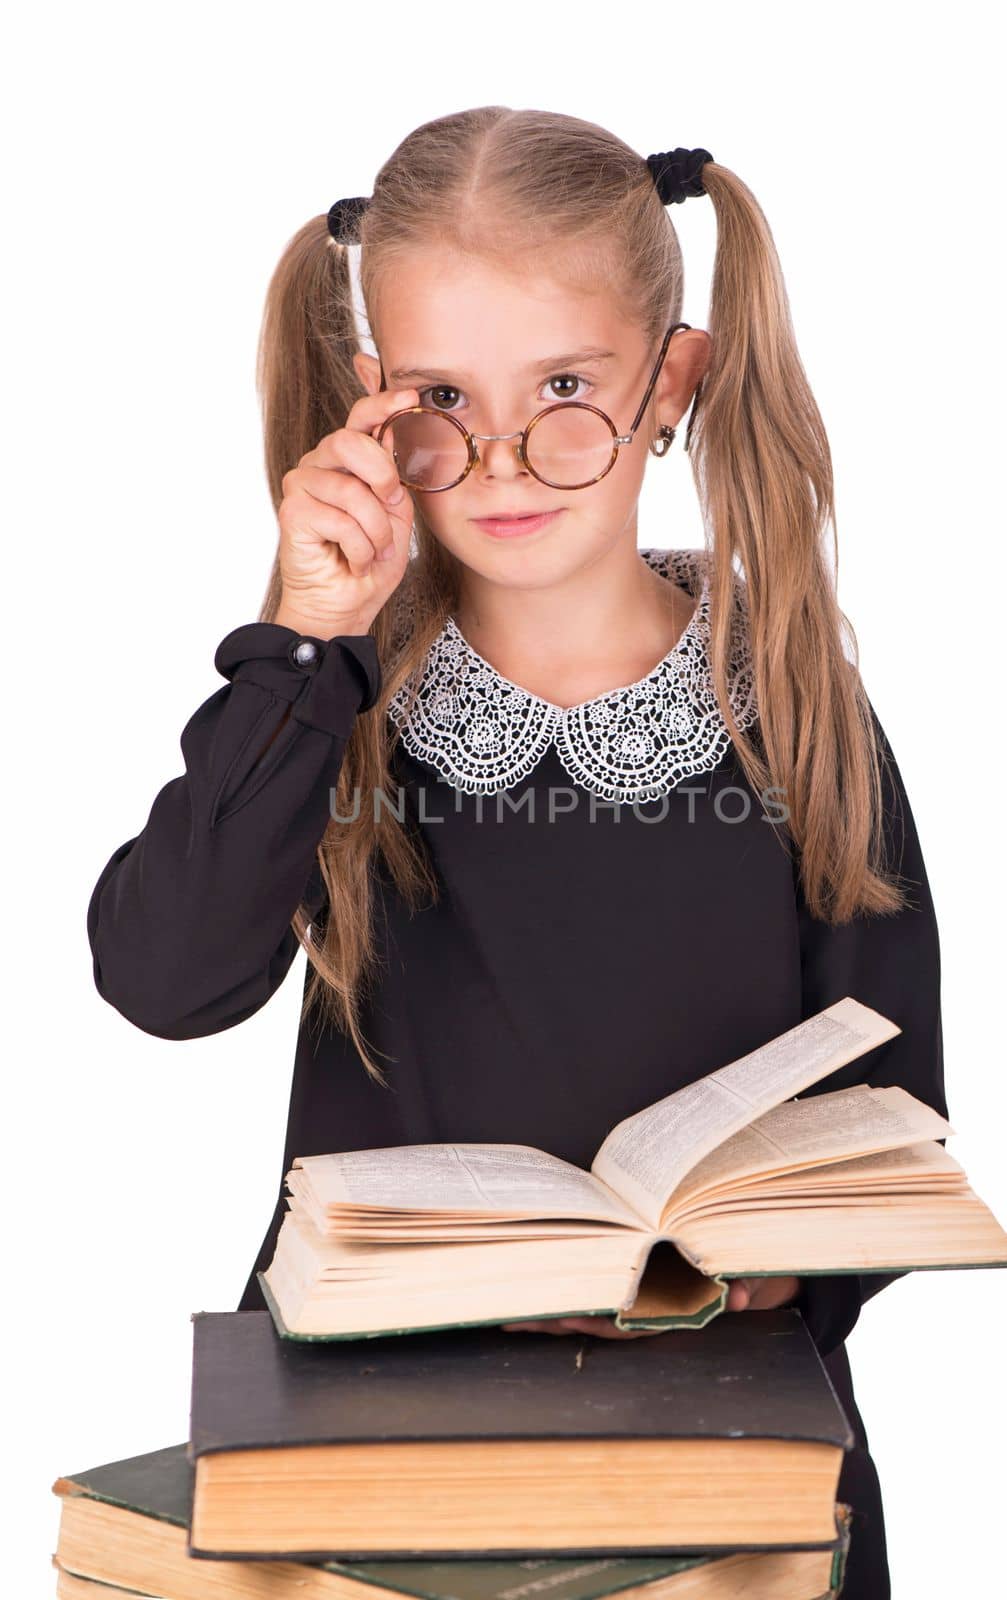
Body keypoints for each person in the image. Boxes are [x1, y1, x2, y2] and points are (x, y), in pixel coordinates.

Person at [86, 108, 947, 1598]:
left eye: (564, 387)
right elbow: (162, 973)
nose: (502, 459)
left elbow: (892, 1108)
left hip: (712, 1453)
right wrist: (310, 642)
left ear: (669, 376)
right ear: (373, 408)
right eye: (440, 395)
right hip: (373, 1457)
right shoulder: (335, 702)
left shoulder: (789, 692)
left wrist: (760, 1269)